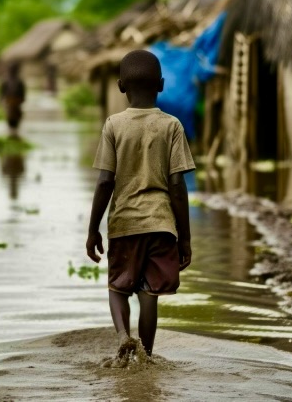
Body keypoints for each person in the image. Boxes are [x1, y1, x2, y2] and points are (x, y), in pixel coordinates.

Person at [86, 49, 195, 361]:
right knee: (151, 294)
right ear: (161, 85)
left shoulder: (113, 125)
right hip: (162, 226)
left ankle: (123, 337)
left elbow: (105, 181)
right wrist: (184, 236)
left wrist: (93, 230)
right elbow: (177, 185)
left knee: (118, 288)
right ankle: (145, 355)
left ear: (121, 86)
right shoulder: (172, 126)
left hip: (124, 224)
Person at [0, 63, 26, 136]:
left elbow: (23, 93)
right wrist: (0, 100)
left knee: (16, 118)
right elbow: (2, 92)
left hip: (16, 102)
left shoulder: (19, 81)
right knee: (10, 117)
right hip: (9, 102)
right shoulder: (6, 81)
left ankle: (15, 133)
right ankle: (12, 132)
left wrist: (21, 100)